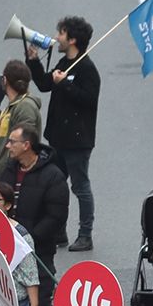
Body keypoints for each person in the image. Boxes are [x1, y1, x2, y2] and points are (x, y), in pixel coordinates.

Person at [24, 17, 101, 252]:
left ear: (73, 39)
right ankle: (59, 232)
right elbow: (45, 84)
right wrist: (34, 62)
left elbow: (89, 100)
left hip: (77, 141)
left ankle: (85, 234)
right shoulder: (63, 62)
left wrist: (65, 84)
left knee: (80, 187)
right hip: (57, 138)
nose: (57, 37)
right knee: (55, 186)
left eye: (61, 33)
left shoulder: (87, 69)